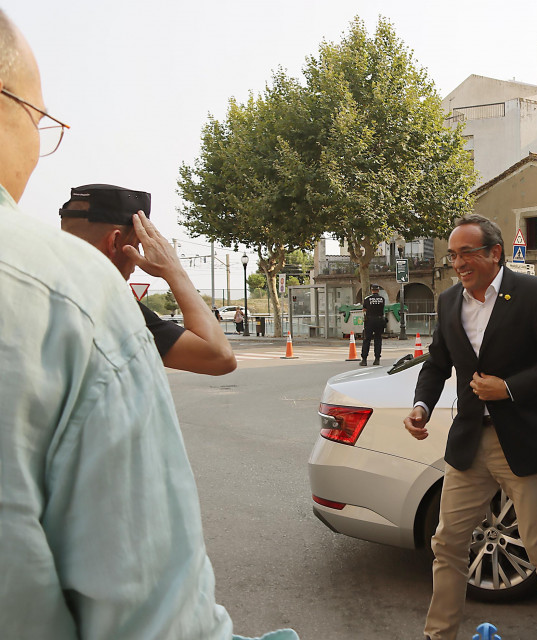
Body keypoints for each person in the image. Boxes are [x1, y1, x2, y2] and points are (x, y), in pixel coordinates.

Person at [0, 12, 294, 639]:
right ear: (123, 242)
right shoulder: (90, 299)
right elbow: (219, 355)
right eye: (40, 120)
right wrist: (174, 270)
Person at [403, 215, 537, 640]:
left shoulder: (532, 293)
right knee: (447, 544)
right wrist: (421, 406)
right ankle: (439, 634)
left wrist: (509, 388)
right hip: (469, 442)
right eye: (453, 255)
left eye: (466, 253)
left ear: (494, 253)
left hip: (521, 441)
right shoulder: (449, 301)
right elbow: (436, 363)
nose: (458, 263)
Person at [60, 184, 236, 375]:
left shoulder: (42, 286)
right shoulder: (109, 307)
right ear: (115, 242)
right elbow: (219, 356)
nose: (137, 262)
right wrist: (175, 271)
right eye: (138, 245)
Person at [360, 283, 386, 366]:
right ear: (378, 290)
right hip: (379, 320)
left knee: (367, 339)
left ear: (371, 290)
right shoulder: (382, 299)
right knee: (378, 339)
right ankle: (377, 359)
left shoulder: (367, 299)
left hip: (370, 320)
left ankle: (364, 359)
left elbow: (364, 309)